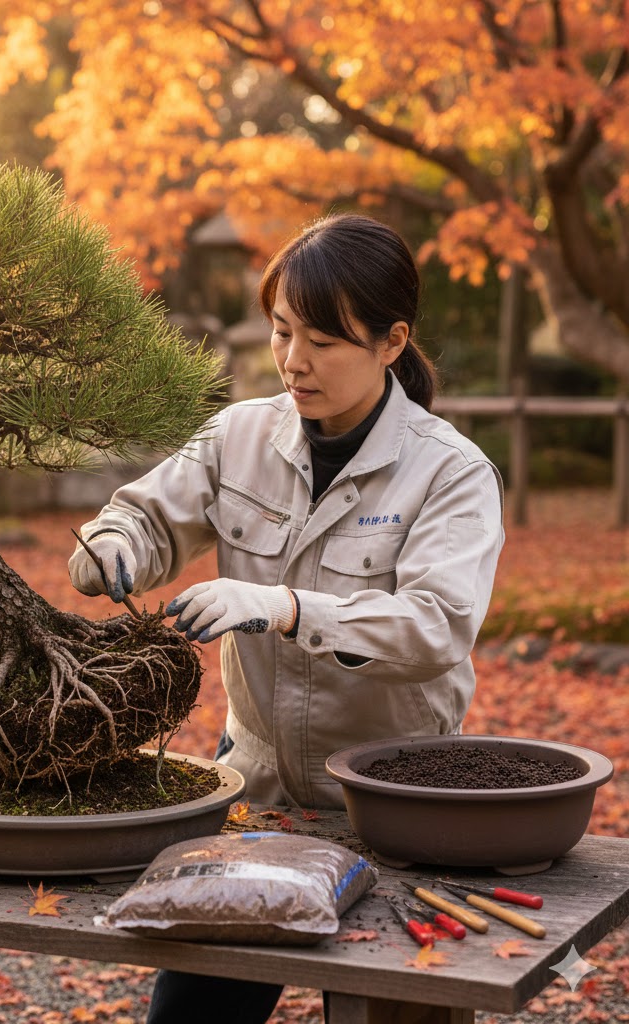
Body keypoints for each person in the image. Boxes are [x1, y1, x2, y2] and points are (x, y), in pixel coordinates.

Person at [68, 212, 505, 1024]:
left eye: (324, 342)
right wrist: (113, 544)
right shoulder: (239, 436)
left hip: (396, 803)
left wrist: (283, 607)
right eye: (281, 332)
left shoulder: (451, 473)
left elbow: (437, 625)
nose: (294, 361)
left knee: (389, 1006)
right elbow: (149, 518)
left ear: (391, 341)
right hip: (258, 789)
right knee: (194, 1012)